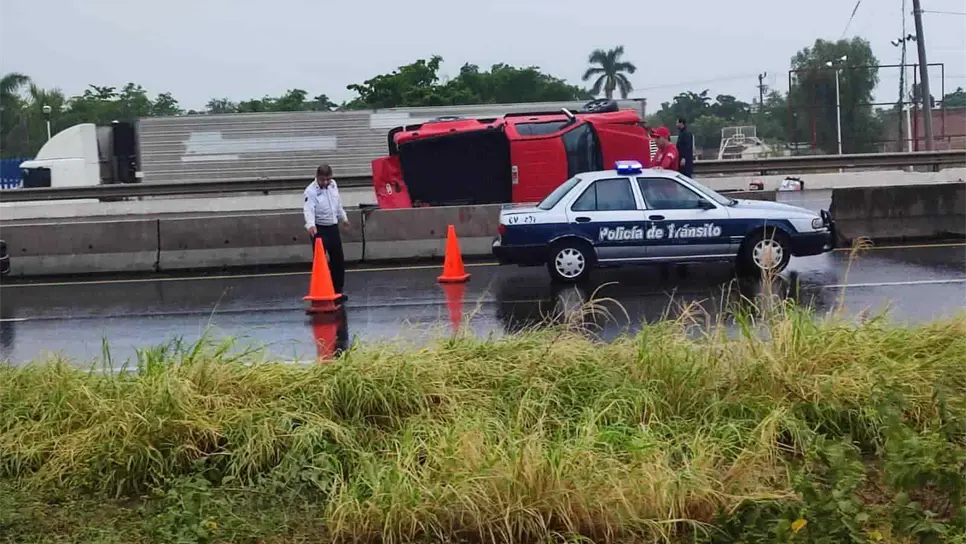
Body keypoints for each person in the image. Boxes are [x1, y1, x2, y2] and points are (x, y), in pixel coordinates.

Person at [303, 164, 350, 302]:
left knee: (338, 260)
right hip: (319, 228)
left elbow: (338, 203)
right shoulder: (310, 191)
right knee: (321, 262)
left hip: (333, 227)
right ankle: (321, 290)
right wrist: (311, 225)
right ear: (317, 177)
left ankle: (338, 291)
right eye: (323, 180)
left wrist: (344, 217)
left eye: (328, 179)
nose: (325, 183)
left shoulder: (333, 185)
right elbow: (308, 209)